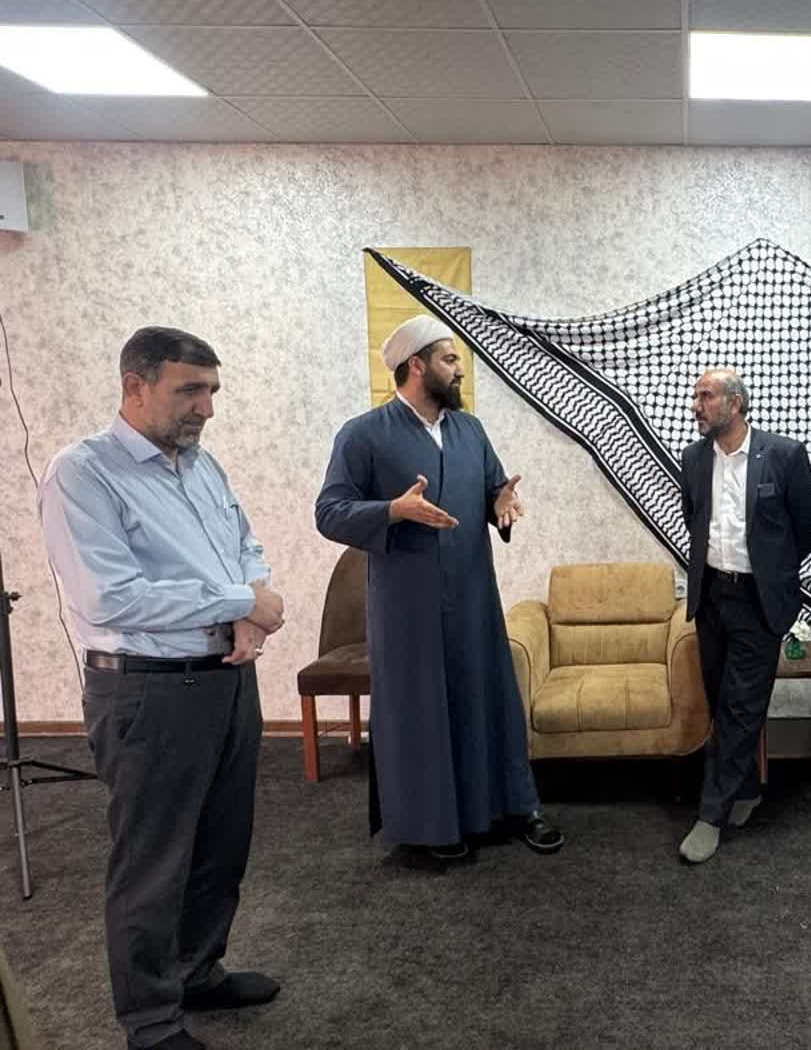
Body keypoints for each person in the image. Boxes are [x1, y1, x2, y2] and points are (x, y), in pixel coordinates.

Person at [39, 326, 284, 1050]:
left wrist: (250, 611)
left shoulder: (202, 467)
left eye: (212, 391)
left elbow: (245, 545)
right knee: (153, 862)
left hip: (226, 680)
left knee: (220, 844)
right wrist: (239, 601)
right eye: (190, 391)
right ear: (135, 386)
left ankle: (197, 972)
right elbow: (111, 597)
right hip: (148, 692)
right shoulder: (83, 473)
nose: (206, 408)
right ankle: (149, 1020)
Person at [315, 314, 562, 865]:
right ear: (417, 365)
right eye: (450, 359)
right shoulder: (363, 434)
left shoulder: (469, 430)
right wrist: (392, 510)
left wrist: (501, 504)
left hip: (473, 595)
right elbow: (329, 512)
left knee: (487, 697)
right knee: (420, 710)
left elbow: (494, 488)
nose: (459, 369)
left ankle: (512, 809)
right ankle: (431, 828)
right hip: (406, 606)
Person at [678, 369, 811, 864]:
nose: (695, 405)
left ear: (734, 404)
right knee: (723, 701)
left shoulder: (784, 455)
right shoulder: (694, 458)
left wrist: (772, 574)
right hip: (713, 597)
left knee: (741, 708)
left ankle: (709, 816)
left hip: (759, 602)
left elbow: (804, 527)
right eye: (695, 396)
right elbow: (694, 516)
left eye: (706, 396)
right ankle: (747, 789)